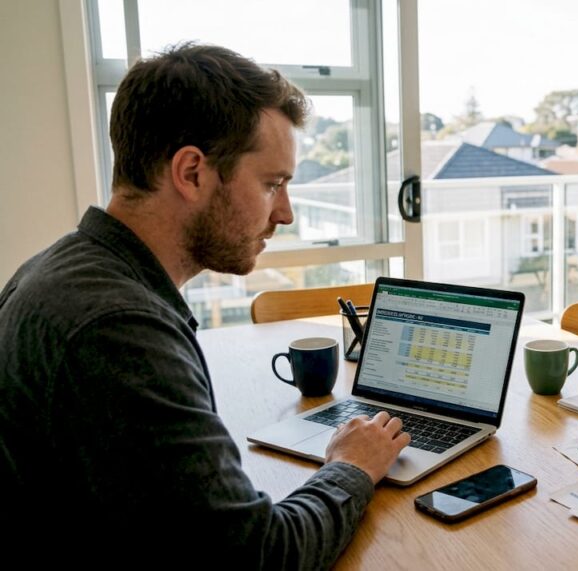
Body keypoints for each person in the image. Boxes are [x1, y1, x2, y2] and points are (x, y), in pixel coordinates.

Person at [0, 43, 410, 568]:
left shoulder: (58, 269)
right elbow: (261, 556)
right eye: (272, 184)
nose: (284, 214)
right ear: (191, 172)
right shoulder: (118, 330)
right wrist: (351, 465)